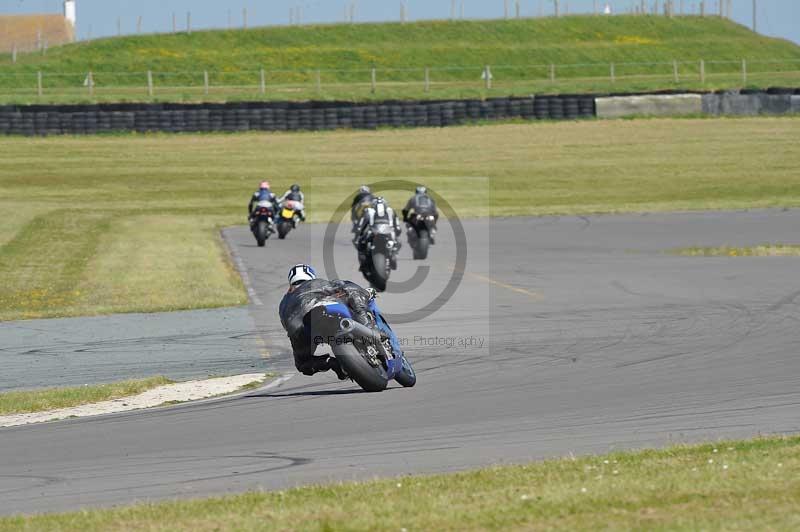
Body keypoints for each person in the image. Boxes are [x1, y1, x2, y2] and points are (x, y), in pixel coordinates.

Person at [278, 264, 375, 379]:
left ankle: (334, 364)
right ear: (310, 276)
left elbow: (286, 326)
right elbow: (342, 286)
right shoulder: (313, 283)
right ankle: (368, 327)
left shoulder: (283, 303)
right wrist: (365, 292)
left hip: (301, 332)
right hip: (323, 315)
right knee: (351, 290)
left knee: (303, 364)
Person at [355, 196, 402, 270]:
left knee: (361, 242)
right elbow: (397, 227)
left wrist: (359, 232)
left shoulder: (368, 211)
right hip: (386, 232)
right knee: (397, 242)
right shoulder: (391, 211)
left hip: (375, 232)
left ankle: (392, 255)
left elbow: (361, 225)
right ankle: (393, 255)